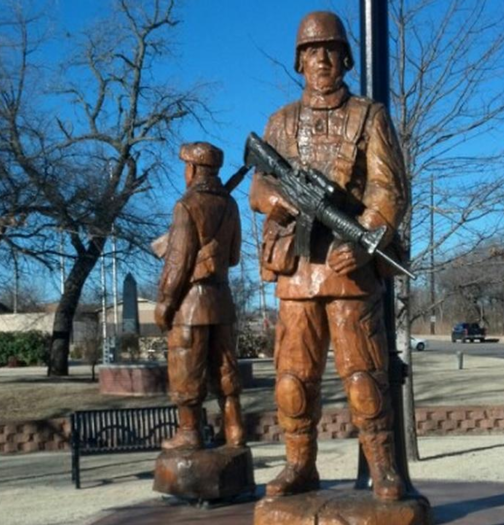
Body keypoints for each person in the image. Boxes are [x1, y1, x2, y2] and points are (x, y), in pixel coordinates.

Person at [249, 11, 408, 500]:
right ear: (299, 61)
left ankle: (383, 468)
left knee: (364, 377)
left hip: (348, 269)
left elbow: (389, 189)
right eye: (311, 50)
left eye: (329, 49)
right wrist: (271, 201)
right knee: (293, 380)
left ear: (345, 58)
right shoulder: (280, 122)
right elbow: (260, 184)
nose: (321, 58)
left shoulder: (369, 116)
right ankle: (300, 464)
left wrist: (362, 240)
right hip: (296, 273)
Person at [155, 142, 245, 450]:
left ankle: (190, 431)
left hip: (191, 303)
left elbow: (178, 261)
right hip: (222, 300)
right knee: (225, 368)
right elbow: (233, 257)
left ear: (192, 170)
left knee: (186, 366)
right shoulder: (230, 205)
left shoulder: (186, 205)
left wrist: (166, 301)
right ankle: (234, 430)